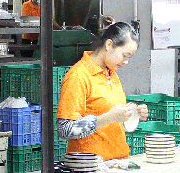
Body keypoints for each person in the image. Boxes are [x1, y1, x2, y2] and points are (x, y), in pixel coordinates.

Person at [55, 21, 149, 160]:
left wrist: (132, 115)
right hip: (90, 165)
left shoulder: (112, 74)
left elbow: (113, 122)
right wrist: (108, 117)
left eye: (129, 57)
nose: (126, 62)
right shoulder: (78, 76)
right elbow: (65, 129)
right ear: (109, 45)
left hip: (117, 162)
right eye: (125, 55)